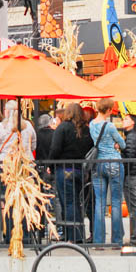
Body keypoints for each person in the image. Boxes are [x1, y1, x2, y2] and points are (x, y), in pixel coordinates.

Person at [50, 102, 93, 243]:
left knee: (68, 202)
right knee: (76, 202)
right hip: (80, 169)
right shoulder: (85, 130)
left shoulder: (63, 128)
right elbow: (89, 148)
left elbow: (55, 149)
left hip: (64, 168)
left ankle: (72, 236)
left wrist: (50, 164)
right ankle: (78, 234)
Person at [89, 98, 126, 247]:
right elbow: (122, 143)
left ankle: (99, 240)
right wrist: (116, 145)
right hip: (113, 162)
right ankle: (117, 240)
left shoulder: (92, 124)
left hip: (98, 163)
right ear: (109, 110)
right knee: (116, 202)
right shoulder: (110, 126)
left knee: (100, 203)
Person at [121, 113, 136, 247]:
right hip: (135, 173)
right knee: (134, 206)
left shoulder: (131, 137)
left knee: (133, 206)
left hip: (131, 174)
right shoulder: (133, 136)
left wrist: (120, 153)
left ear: (133, 123)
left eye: (126, 119)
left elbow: (129, 156)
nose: (123, 121)